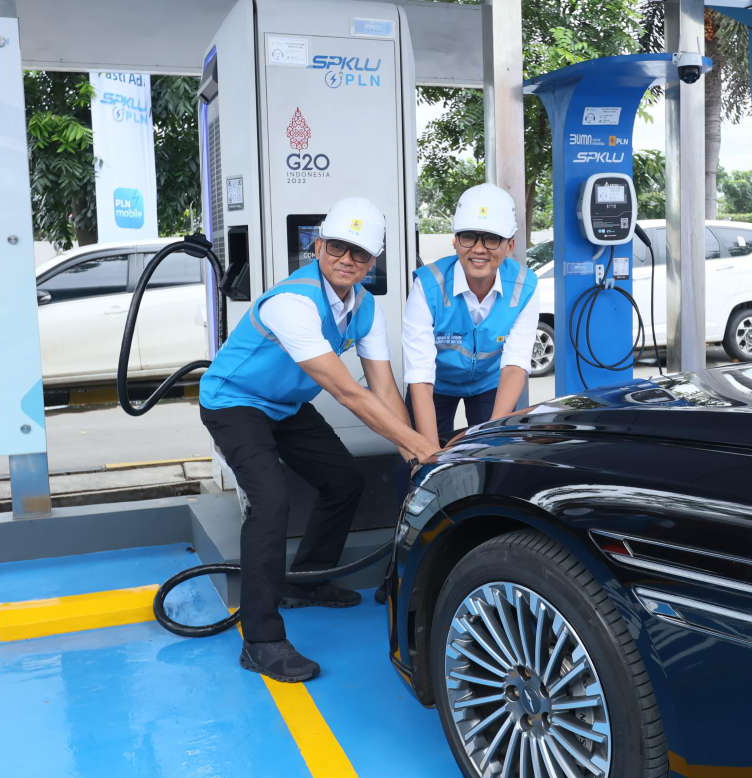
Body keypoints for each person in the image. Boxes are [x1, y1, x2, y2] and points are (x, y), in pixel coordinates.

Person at [198, 197, 439, 683]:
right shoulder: (294, 302)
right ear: (318, 246)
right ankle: (260, 641)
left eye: (360, 252)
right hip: (233, 402)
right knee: (270, 501)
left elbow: (383, 389)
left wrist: (416, 455)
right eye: (337, 247)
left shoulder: (366, 307)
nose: (347, 259)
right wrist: (421, 449)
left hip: (284, 405)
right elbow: (348, 392)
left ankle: (307, 581)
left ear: (372, 262)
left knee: (345, 480)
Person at [376, 184, 538, 605]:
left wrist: (492, 437)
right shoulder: (428, 284)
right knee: (414, 469)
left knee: (501, 465)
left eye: (492, 239)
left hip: (492, 382)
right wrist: (428, 453)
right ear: (454, 240)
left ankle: (491, 561)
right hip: (436, 384)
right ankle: (401, 570)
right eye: (468, 236)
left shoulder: (525, 285)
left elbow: (516, 364)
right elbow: (420, 374)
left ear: (510, 245)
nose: (478, 249)